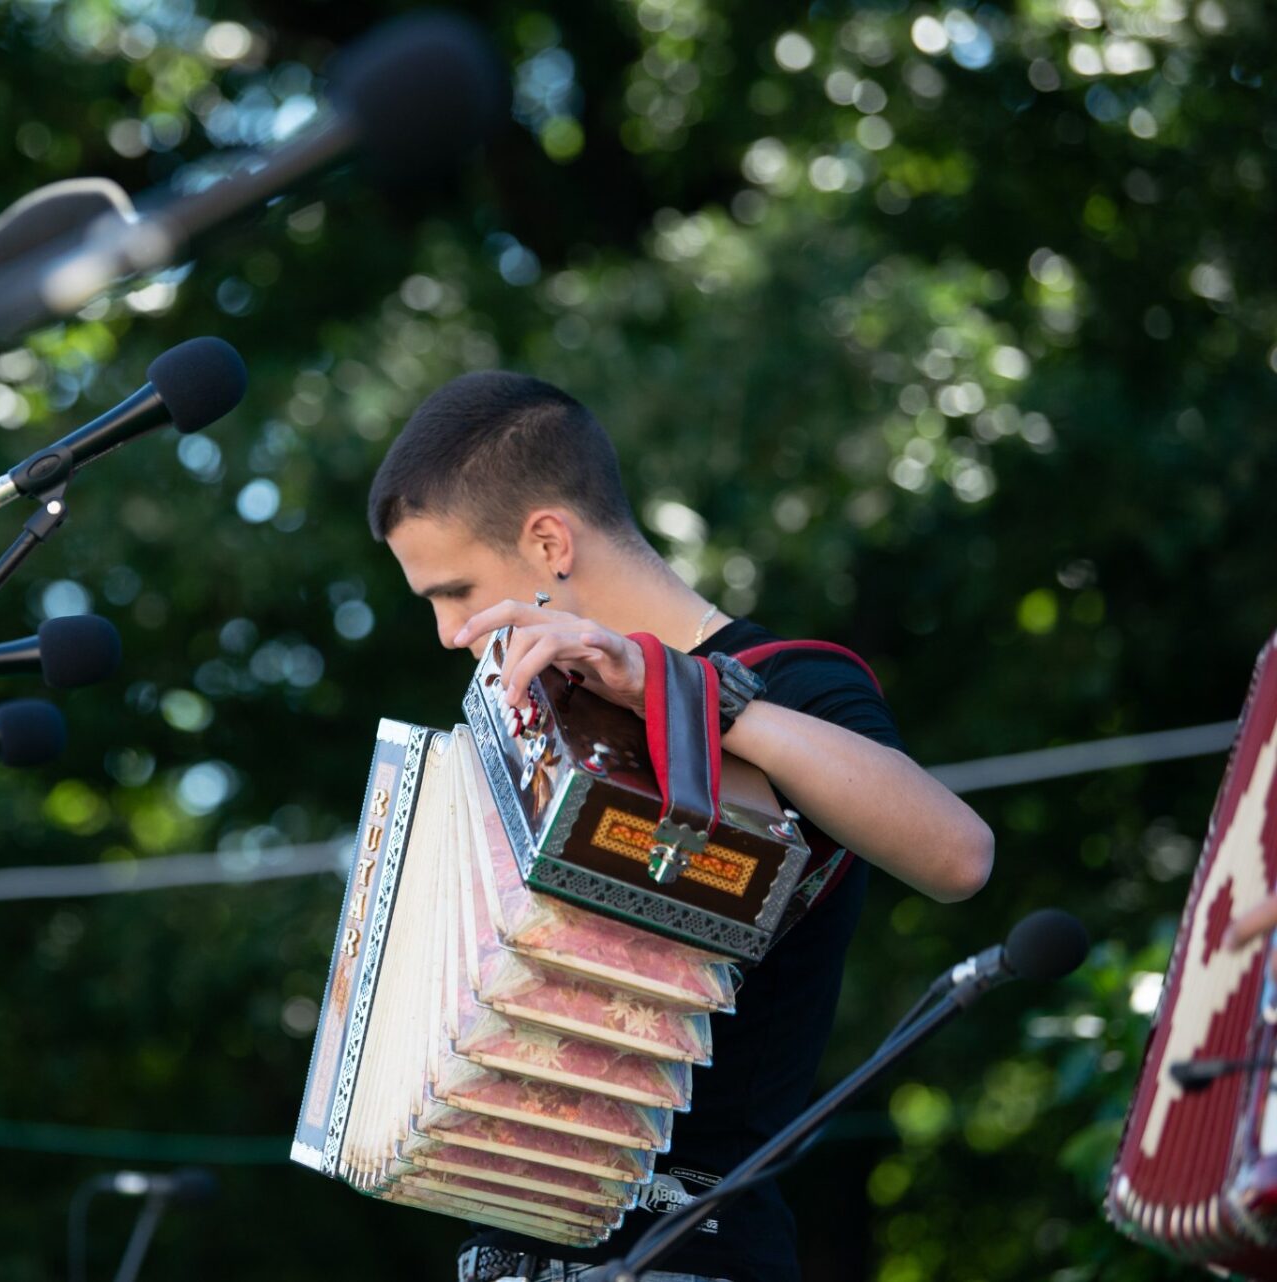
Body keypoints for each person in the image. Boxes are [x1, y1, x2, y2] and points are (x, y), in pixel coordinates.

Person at [366, 371, 995, 1282]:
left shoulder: (793, 683)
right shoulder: (540, 726)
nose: (447, 631)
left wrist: (686, 694)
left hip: (693, 1248)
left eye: (454, 590)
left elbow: (959, 854)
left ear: (549, 542)